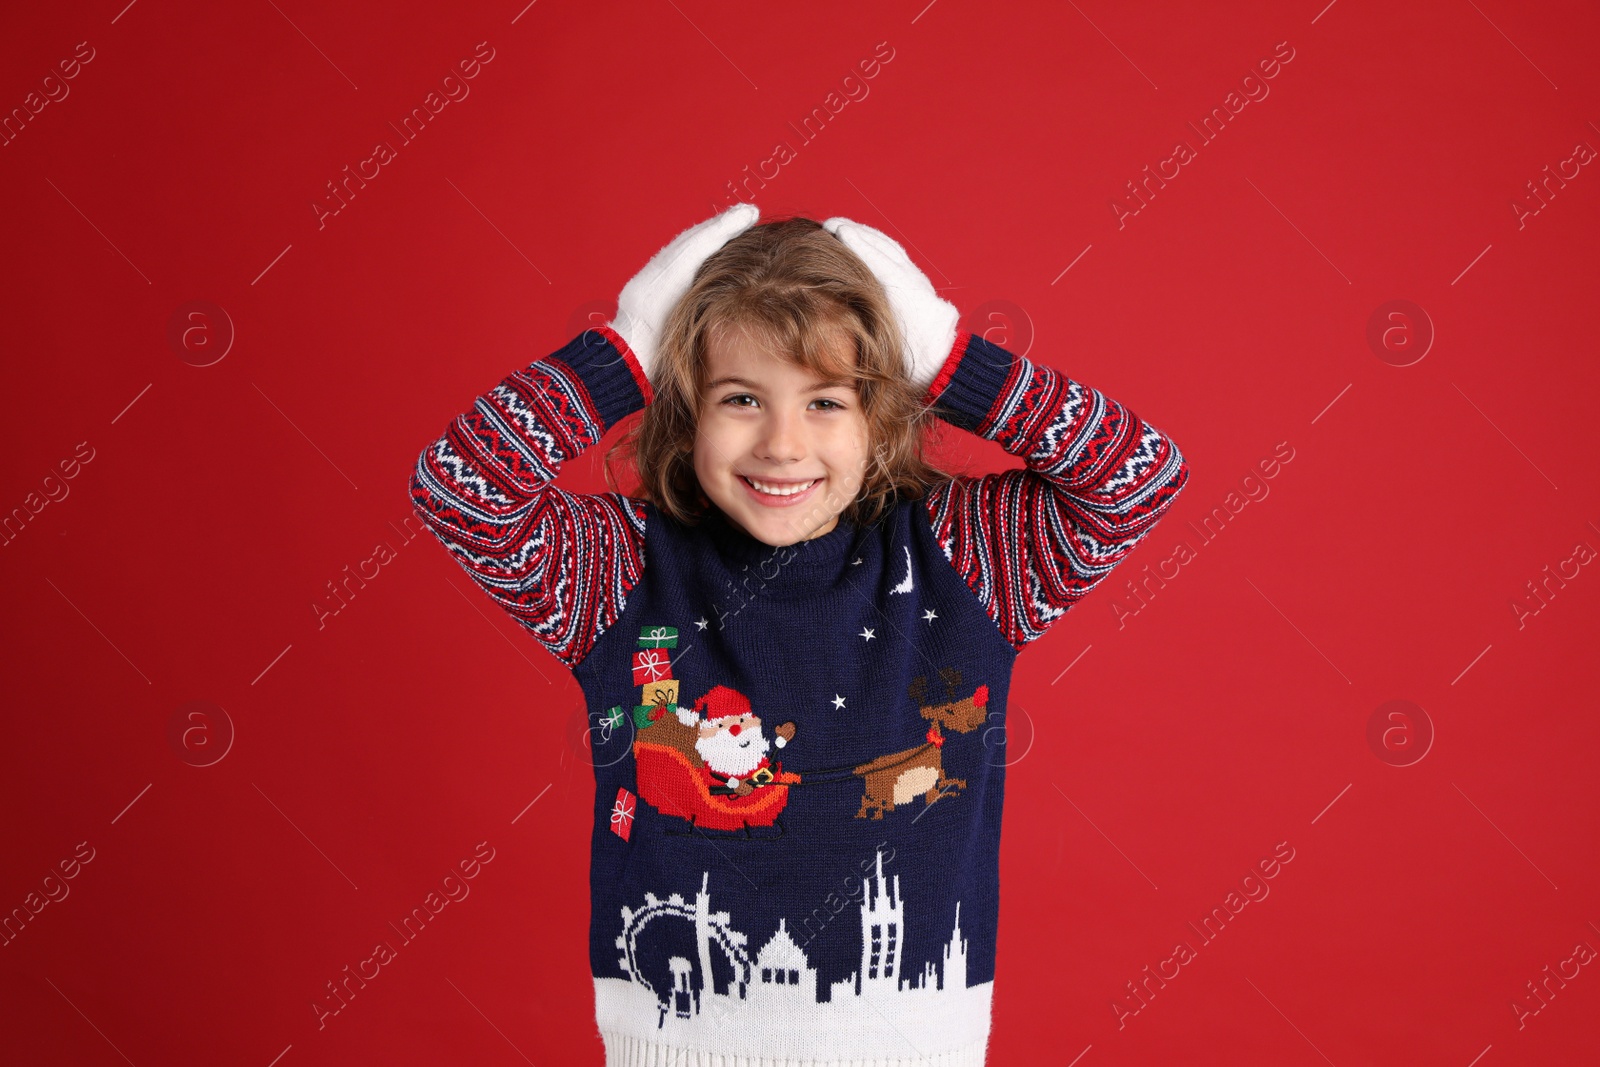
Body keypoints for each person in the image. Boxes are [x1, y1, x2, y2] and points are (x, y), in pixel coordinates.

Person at [408, 203, 1189, 1065]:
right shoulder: (622, 569)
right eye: (740, 398)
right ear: (684, 413)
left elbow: (1138, 476)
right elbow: (462, 489)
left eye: (826, 401)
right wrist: (627, 347)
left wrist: (951, 360)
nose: (782, 444)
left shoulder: (964, 560)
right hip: (671, 1042)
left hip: (918, 1042)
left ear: (885, 413)